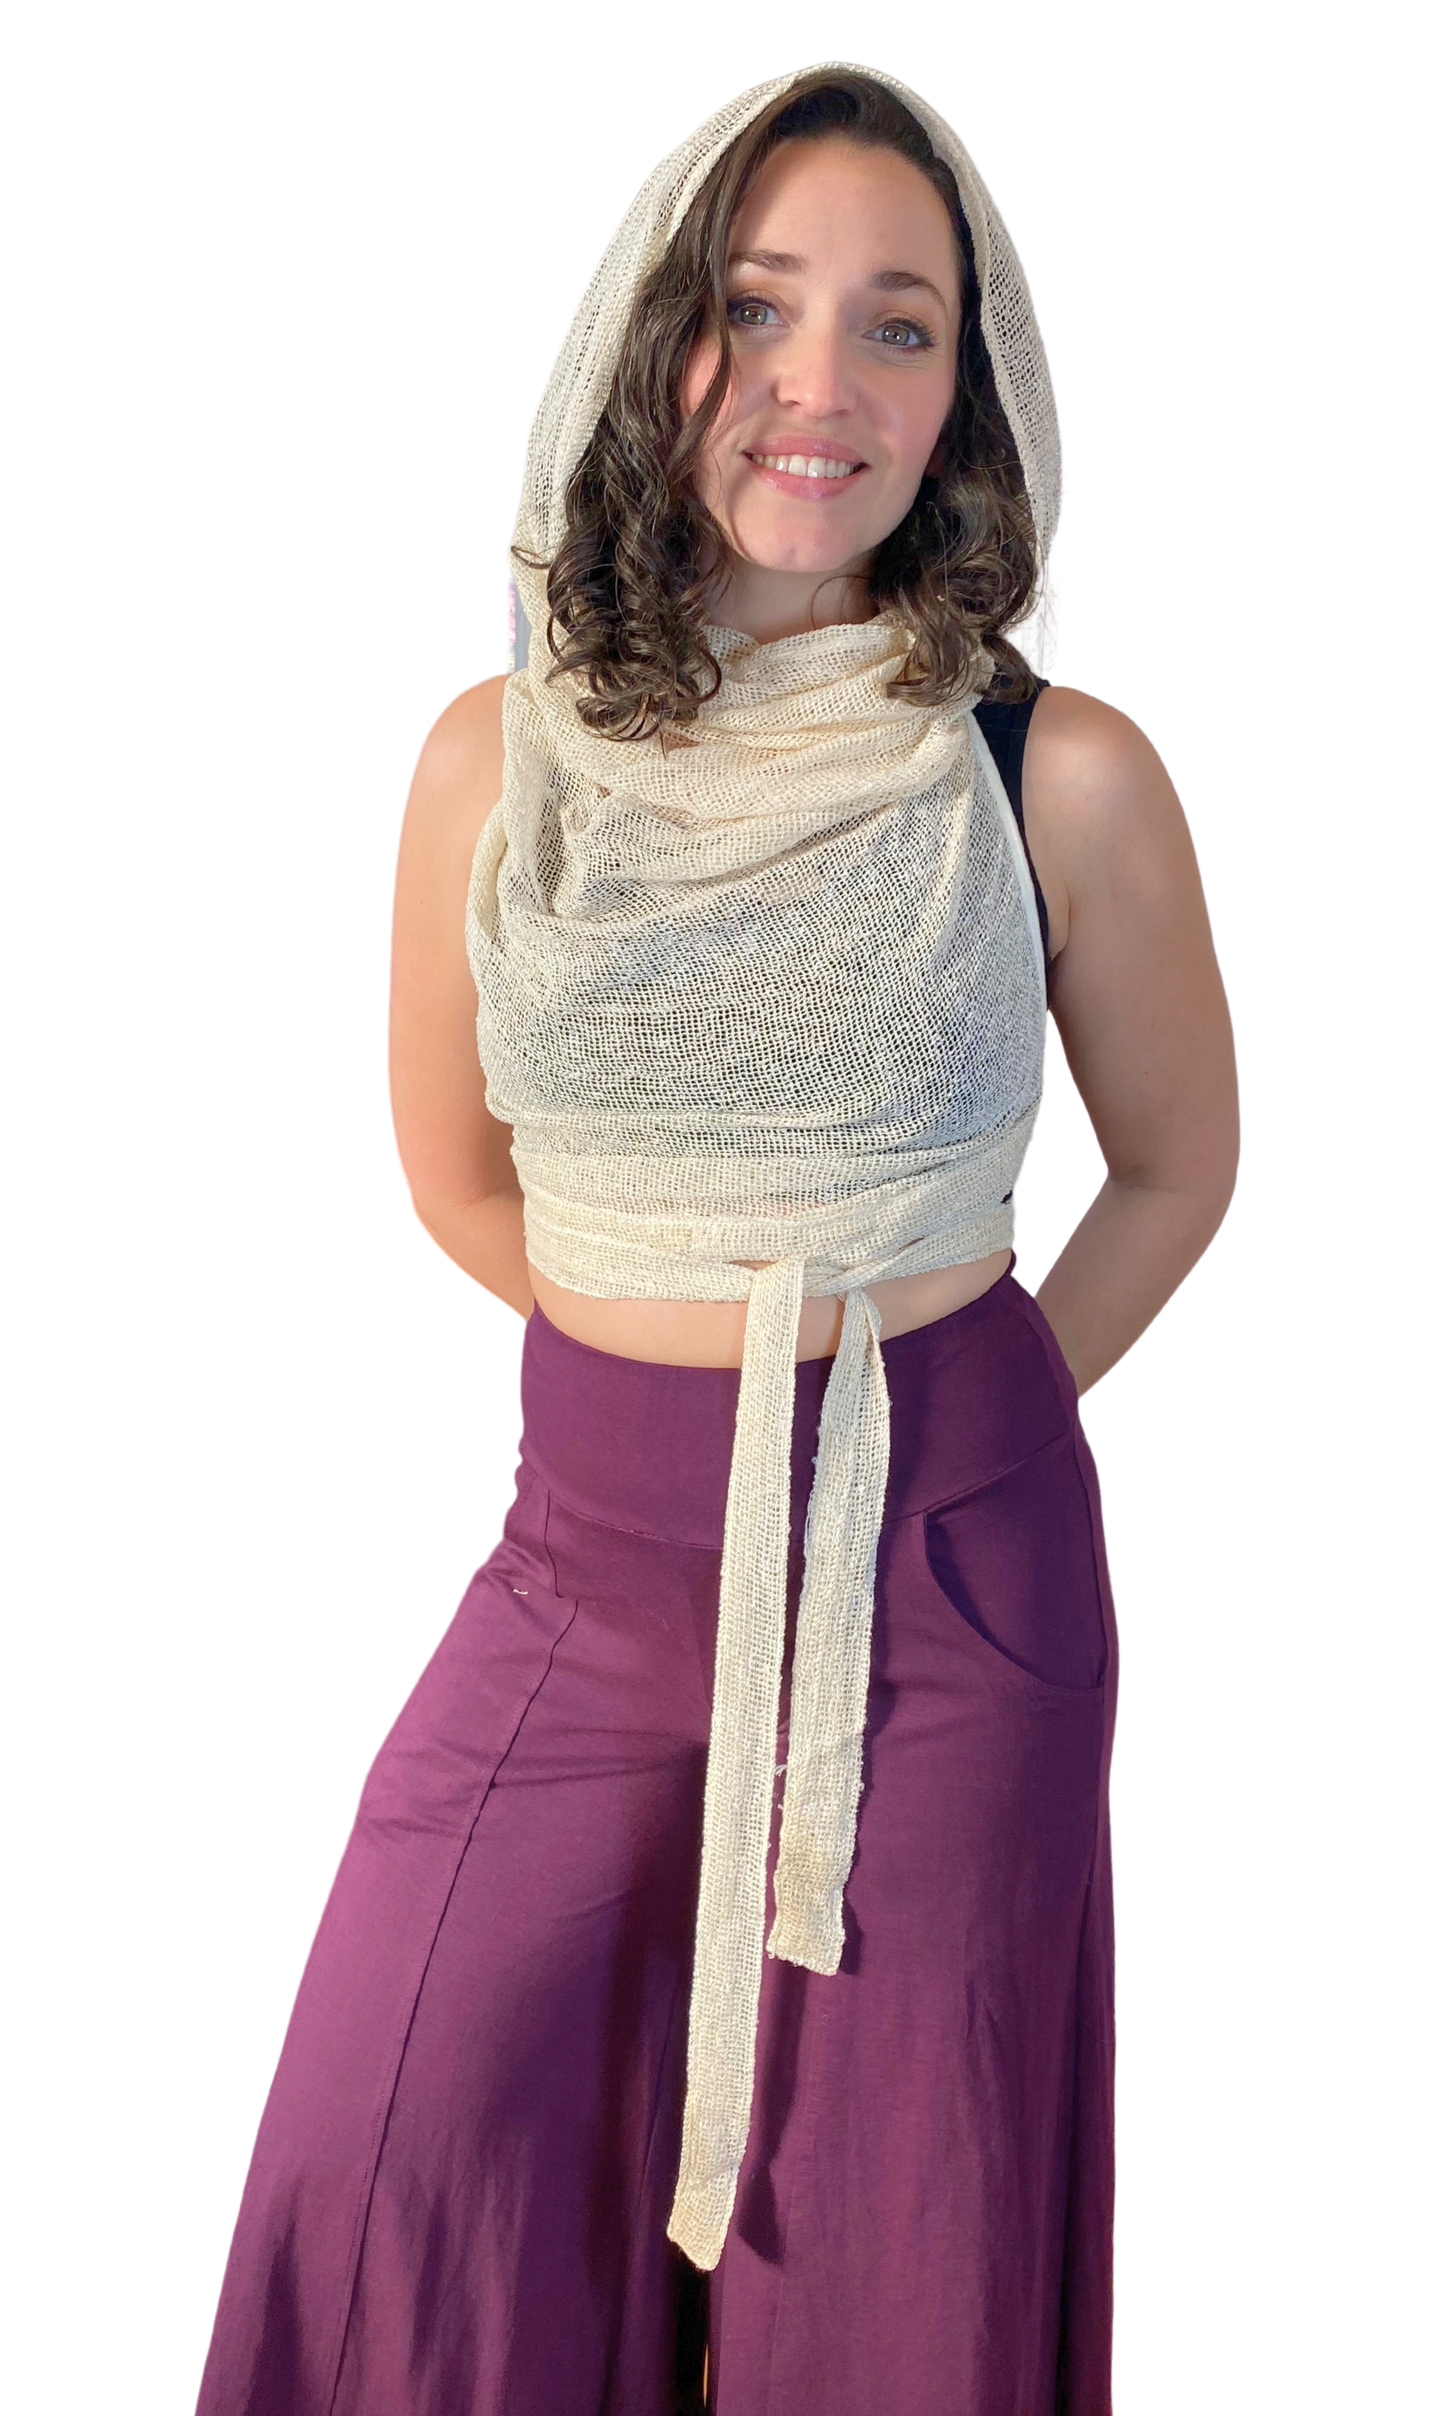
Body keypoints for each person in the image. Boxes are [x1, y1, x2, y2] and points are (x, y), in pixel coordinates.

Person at [193, 58, 1241, 2416]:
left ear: (967, 392)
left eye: (897, 323)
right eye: (752, 305)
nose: (816, 380)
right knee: (386, 2153)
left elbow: (1177, 1166)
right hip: (577, 1564)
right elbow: (458, 1175)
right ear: (644, 334)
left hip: (947, 1591)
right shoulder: (494, 757)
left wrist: (937, 1419)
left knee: (893, 2251)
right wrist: (679, 1390)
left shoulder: (1052, 771)